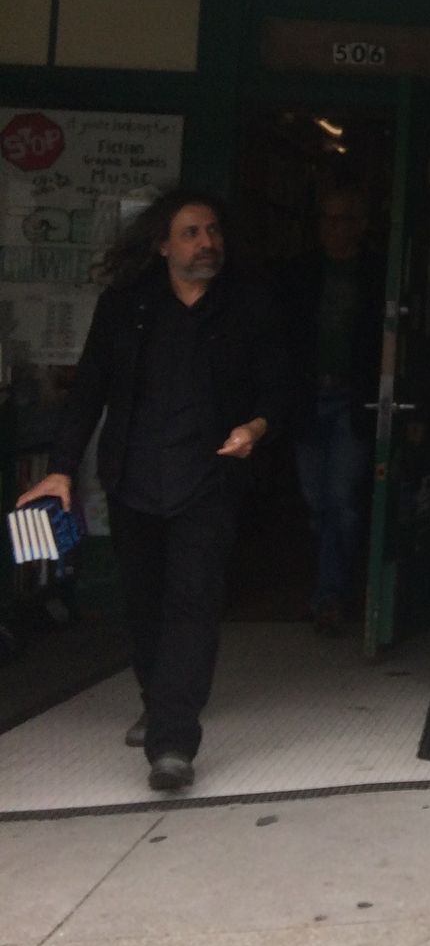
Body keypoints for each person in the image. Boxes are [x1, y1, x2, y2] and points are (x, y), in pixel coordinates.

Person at [14, 190, 289, 792]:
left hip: (208, 479)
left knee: (193, 603)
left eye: (212, 230)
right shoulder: (125, 307)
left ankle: (173, 741)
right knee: (144, 605)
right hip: (134, 479)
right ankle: (157, 699)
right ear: (163, 244)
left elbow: (277, 388)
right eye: (191, 233)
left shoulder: (247, 307)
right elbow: (88, 389)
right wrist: (61, 466)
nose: (206, 243)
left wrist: (255, 427)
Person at [283, 186, 385, 637]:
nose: (333, 228)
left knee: (341, 500)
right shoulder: (300, 272)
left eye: (343, 218)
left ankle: (330, 595)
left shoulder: (379, 273)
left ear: (361, 224)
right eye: (326, 218)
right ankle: (331, 584)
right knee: (316, 502)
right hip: (308, 398)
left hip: (352, 398)